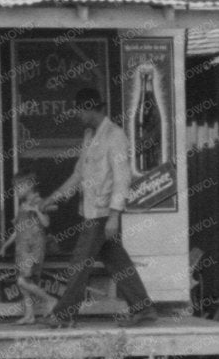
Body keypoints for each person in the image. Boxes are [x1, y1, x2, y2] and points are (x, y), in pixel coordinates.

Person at [41, 88, 155, 327]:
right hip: (92, 211)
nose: (78, 115)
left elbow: (122, 178)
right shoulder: (89, 136)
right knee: (117, 262)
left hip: (103, 214)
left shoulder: (115, 135)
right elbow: (78, 174)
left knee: (79, 263)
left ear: (90, 109)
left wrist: (114, 216)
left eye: (80, 111)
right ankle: (143, 309)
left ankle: (64, 315)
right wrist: (53, 197)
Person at [9, 170, 58, 324]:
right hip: (22, 248)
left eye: (18, 187)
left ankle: (50, 299)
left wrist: (36, 210)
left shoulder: (38, 201)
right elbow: (18, 230)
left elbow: (46, 223)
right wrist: (5, 245)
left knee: (22, 281)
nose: (16, 191)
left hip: (33, 248)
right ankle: (29, 315)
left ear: (29, 185)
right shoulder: (22, 205)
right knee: (25, 285)